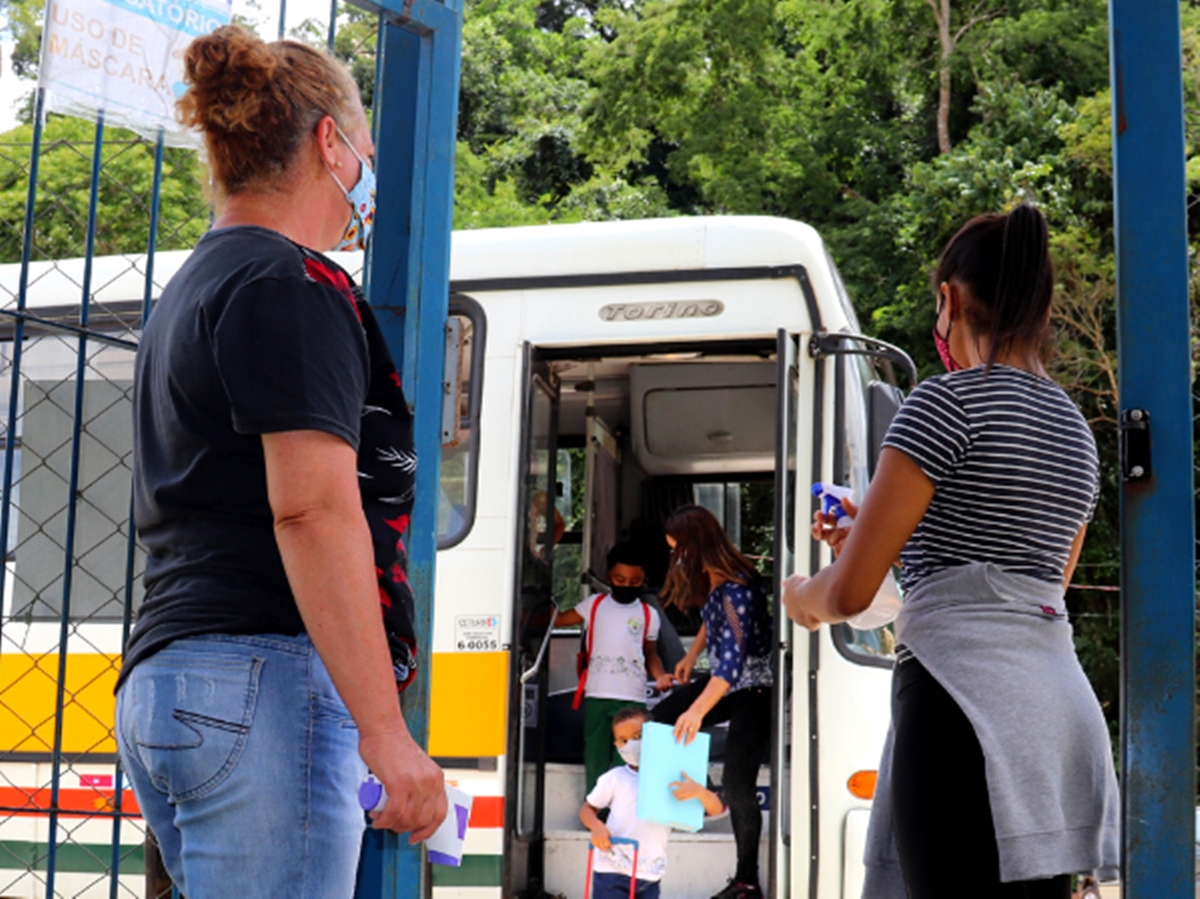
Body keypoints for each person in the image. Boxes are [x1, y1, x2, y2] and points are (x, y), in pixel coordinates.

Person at [113, 25, 446, 899]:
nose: (369, 181)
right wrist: (386, 733)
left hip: (177, 676)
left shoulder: (194, 287)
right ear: (328, 143)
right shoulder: (290, 284)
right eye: (366, 150)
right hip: (263, 679)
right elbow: (312, 510)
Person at [782, 204, 1119, 898]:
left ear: (949, 299)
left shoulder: (944, 404)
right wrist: (886, 544)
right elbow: (1029, 586)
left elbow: (848, 595)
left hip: (960, 707)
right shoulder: (1077, 433)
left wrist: (802, 595)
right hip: (1056, 721)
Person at [653, 505, 773, 899]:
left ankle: (747, 881)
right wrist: (691, 655)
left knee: (739, 785)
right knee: (661, 717)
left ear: (696, 544)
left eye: (678, 549)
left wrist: (698, 708)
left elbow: (733, 666)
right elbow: (712, 618)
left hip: (752, 687)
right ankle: (691, 799)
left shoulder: (738, 590)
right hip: (726, 679)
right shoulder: (719, 579)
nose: (676, 557)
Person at [557, 541, 675, 792]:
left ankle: (626, 809)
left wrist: (660, 675)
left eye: (635, 582)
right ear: (609, 576)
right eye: (620, 579)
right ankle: (598, 811)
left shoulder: (647, 613)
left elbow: (651, 654)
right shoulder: (594, 605)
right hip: (597, 695)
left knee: (631, 759)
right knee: (596, 756)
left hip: (632, 697)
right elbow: (559, 620)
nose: (626, 586)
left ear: (644, 580)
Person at [581, 706, 724, 898]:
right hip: (612, 871)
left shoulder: (674, 776)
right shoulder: (614, 778)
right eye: (623, 740)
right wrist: (597, 826)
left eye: (638, 736)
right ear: (616, 745)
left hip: (650, 875)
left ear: (653, 734)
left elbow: (716, 808)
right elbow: (587, 809)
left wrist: (700, 792)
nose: (631, 744)